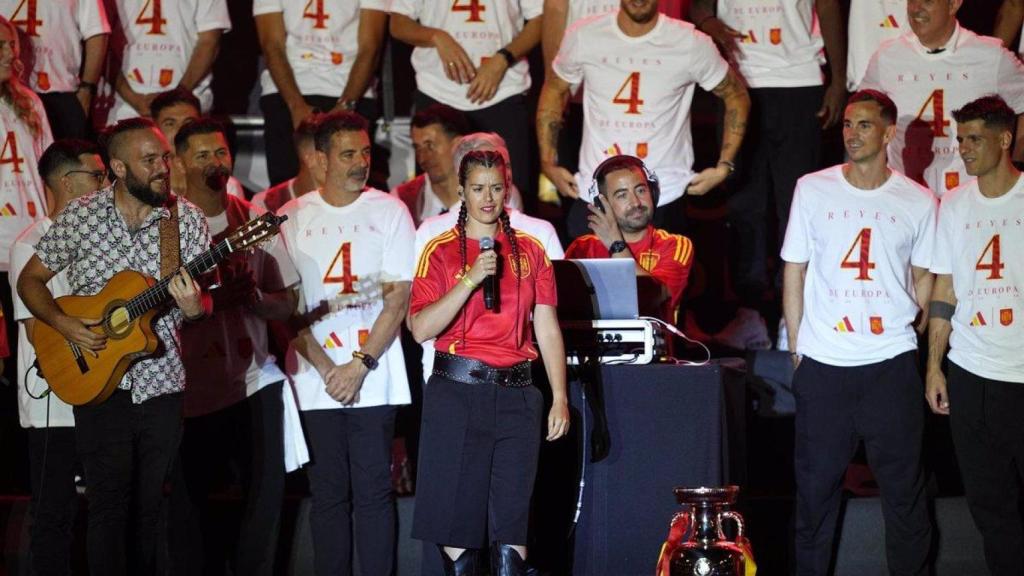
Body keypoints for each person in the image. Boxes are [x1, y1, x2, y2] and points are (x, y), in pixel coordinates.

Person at [17, 117, 210, 575]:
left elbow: (202, 311)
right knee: (106, 505)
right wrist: (64, 324)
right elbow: (31, 280)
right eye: (150, 160)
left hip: (161, 385)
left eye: (164, 157)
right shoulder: (82, 216)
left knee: (148, 509)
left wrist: (192, 306)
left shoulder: (185, 220)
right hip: (98, 381)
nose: (163, 167)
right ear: (119, 168)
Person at [782, 90, 936, 576]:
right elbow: (794, 270)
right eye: (848, 124)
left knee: (905, 496)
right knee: (813, 499)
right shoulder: (811, 188)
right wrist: (797, 348)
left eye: (864, 125)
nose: (851, 133)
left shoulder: (918, 199)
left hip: (890, 365)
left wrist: (912, 325)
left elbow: (926, 274)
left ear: (889, 133)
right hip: (825, 364)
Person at [409, 149, 569, 576]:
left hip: (517, 395)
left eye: (496, 188)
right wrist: (470, 279)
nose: (488, 198)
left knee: (513, 531)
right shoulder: (439, 251)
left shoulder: (532, 251)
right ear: (461, 191)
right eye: (478, 188)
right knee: (458, 535)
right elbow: (421, 328)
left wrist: (559, 397)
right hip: (458, 393)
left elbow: (547, 326)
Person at [278, 111, 414, 576]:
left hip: (374, 376)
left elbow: (398, 300)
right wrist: (327, 369)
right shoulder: (290, 218)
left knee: (375, 490)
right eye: (348, 154)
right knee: (329, 492)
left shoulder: (390, 210)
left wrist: (358, 365)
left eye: (365, 152)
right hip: (316, 379)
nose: (360, 162)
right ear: (319, 160)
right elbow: (285, 307)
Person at [170, 118, 300, 575]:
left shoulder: (251, 217)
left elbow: (288, 303)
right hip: (190, 388)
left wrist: (257, 300)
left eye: (220, 153)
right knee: (191, 508)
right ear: (179, 161)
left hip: (252, 378)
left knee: (261, 501)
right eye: (202, 155)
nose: (214, 162)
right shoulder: (165, 224)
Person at [690, 0, 845, 350]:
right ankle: (752, 311)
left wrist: (837, 78)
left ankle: (796, 312)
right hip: (739, 81)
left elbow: (830, 8)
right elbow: (697, 6)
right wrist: (710, 22)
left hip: (799, 79)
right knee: (746, 204)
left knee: (797, 204)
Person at [537, 0, 750, 239]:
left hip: (664, 195)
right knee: (587, 277)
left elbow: (736, 95)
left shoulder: (689, 42)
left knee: (659, 278)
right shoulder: (584, 35)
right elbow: (554, 88)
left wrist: (725, 165)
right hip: (596, 194)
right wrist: (547, 162)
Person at [927, 95, 1024, 575]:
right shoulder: (954, 203)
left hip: (1021, 374)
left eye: (974, 139)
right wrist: (934, 369)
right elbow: (944, 288)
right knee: (990, 506)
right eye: (959, 138)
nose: (962, 148)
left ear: (1005, 139)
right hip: (971, 373)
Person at [9, 139, 107, 576]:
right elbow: (37, 330)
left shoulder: (108, 236)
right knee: (54, 514)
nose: (107, 184)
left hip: (106, 393)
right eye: (98, 176)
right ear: (68, 182)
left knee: (111, 511)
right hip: (55, 404)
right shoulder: (30, 245)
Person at [858, 0, 1024, 196]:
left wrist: (1016, 165)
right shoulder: (886, 57)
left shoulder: (991, 56)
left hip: (972, 200)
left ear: (953, 4)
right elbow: (860, 118)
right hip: (905, 199)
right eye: (912, 0)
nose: (916, 8)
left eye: (927, 1)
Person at [390, 0, 542, 200]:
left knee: (510, 197)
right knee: (437, 198)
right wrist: (437, 37)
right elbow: (398, 23)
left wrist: (503, 59)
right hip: (438, 91)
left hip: (503, 91)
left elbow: (540, 19)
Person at [255, 0, 390, 187]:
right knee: (287, 185)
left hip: (351, 91)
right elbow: (271, 45)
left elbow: (371, 47)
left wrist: (346, 105)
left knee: (350, 185)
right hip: (288, 92)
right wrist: (296, 106)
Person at [565, 155, 693, 326]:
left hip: (653, 350)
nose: (635, 202)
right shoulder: (582, 248)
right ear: (603, 206)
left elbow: (654, 297)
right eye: (622, 195)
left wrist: (616, 246)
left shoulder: (675, 245)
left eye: (641, 190)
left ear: (653, 193)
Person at [0, 15, 52, 381]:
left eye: (11, 44)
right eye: (0, 46)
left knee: (35, 352)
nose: (10, 53)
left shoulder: (29, 102)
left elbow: (48, 172)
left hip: (31, 245)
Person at [0, 0, 109, 139]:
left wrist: (86, 90)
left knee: (69, 158)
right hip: (10, 94)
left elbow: (96, 30)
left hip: (61, 93)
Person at [109, 0, 231, 122]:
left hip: (187, 106)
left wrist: (178, 96)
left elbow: (209, 42)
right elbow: (103, 45)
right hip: (124, 107)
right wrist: (134, 98)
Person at [149, 87, 247, 199]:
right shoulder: (145, 186)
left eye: (189, 122)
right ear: (155, 129)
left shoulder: (227, 187)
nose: (181, 130)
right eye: (170, 124)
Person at [393, 103, 473, 226]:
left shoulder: (492, 193)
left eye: (430, 145)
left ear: (458, 145)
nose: (422, 157)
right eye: (417, 148)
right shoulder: (402, 200)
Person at [252, 115, 325, 214]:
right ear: (311, 158)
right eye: (346, 155)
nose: (352, 164)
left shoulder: (350, 198)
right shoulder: (265, 204)